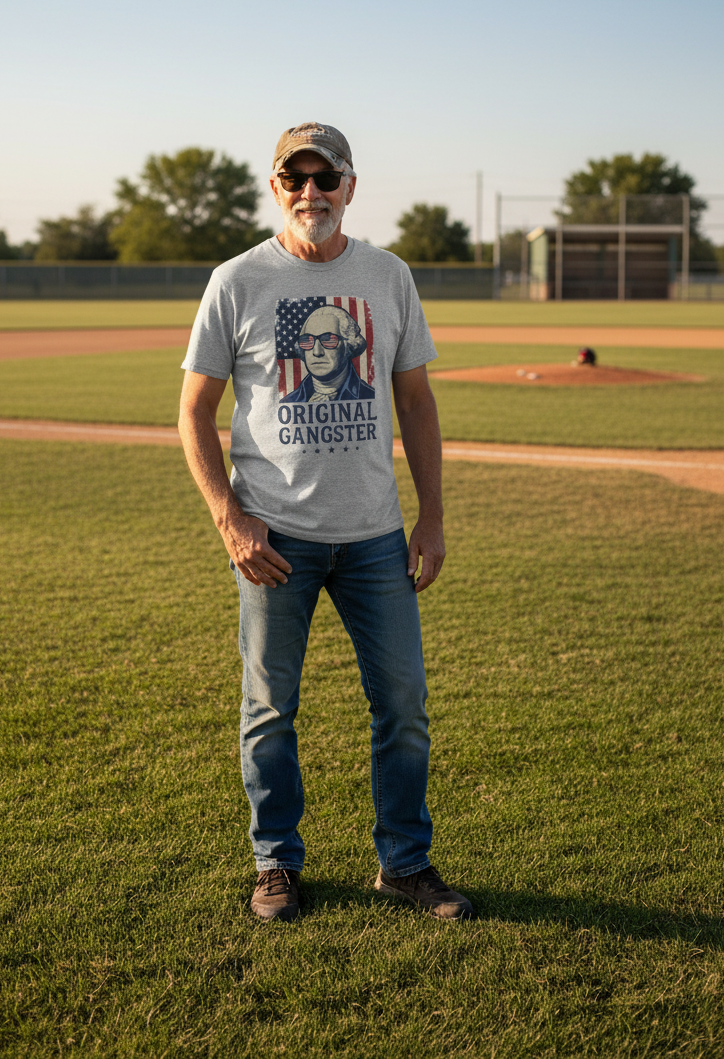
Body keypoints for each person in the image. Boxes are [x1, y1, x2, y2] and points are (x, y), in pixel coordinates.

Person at [178, 122, 474, 922]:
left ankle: (404, 865)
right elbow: (194, 411)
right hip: (275, 540)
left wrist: (432, 517)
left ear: (350, 185)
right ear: (276, 187)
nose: (311, 190)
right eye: (294, 177)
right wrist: (231, 521)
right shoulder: (237, 280)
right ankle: (276, 863)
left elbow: (415, 400)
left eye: (325, 176)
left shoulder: (387, 276)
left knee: (404, 705)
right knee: (270, 710)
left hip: (376, 536)